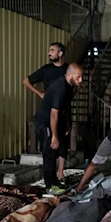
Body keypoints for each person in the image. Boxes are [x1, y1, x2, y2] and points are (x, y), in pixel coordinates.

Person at [23, 42, 72, 184]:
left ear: (60, 53)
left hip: (64, 111)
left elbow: (75, 86)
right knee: (51, 146)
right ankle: (50, 183)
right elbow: (26, 81)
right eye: (49, 50)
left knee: (63, 143)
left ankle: (60, 172)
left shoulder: (68, 70)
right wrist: (40, 93)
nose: (49, 53)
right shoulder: (46, 70)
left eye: (52, 50)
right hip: (51, 111)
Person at [33, 63, 83, 195]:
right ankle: (49, 185)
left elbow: (65, 107)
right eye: (78, 77)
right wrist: (54, 135)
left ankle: (55, 181)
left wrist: (66, 125)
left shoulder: (68, 86)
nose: (80, 80)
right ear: (70, 75)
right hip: (45, 122)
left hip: (56, 121)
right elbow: (54, 114)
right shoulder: (59, 88)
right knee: (50, 152)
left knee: (58, 150)